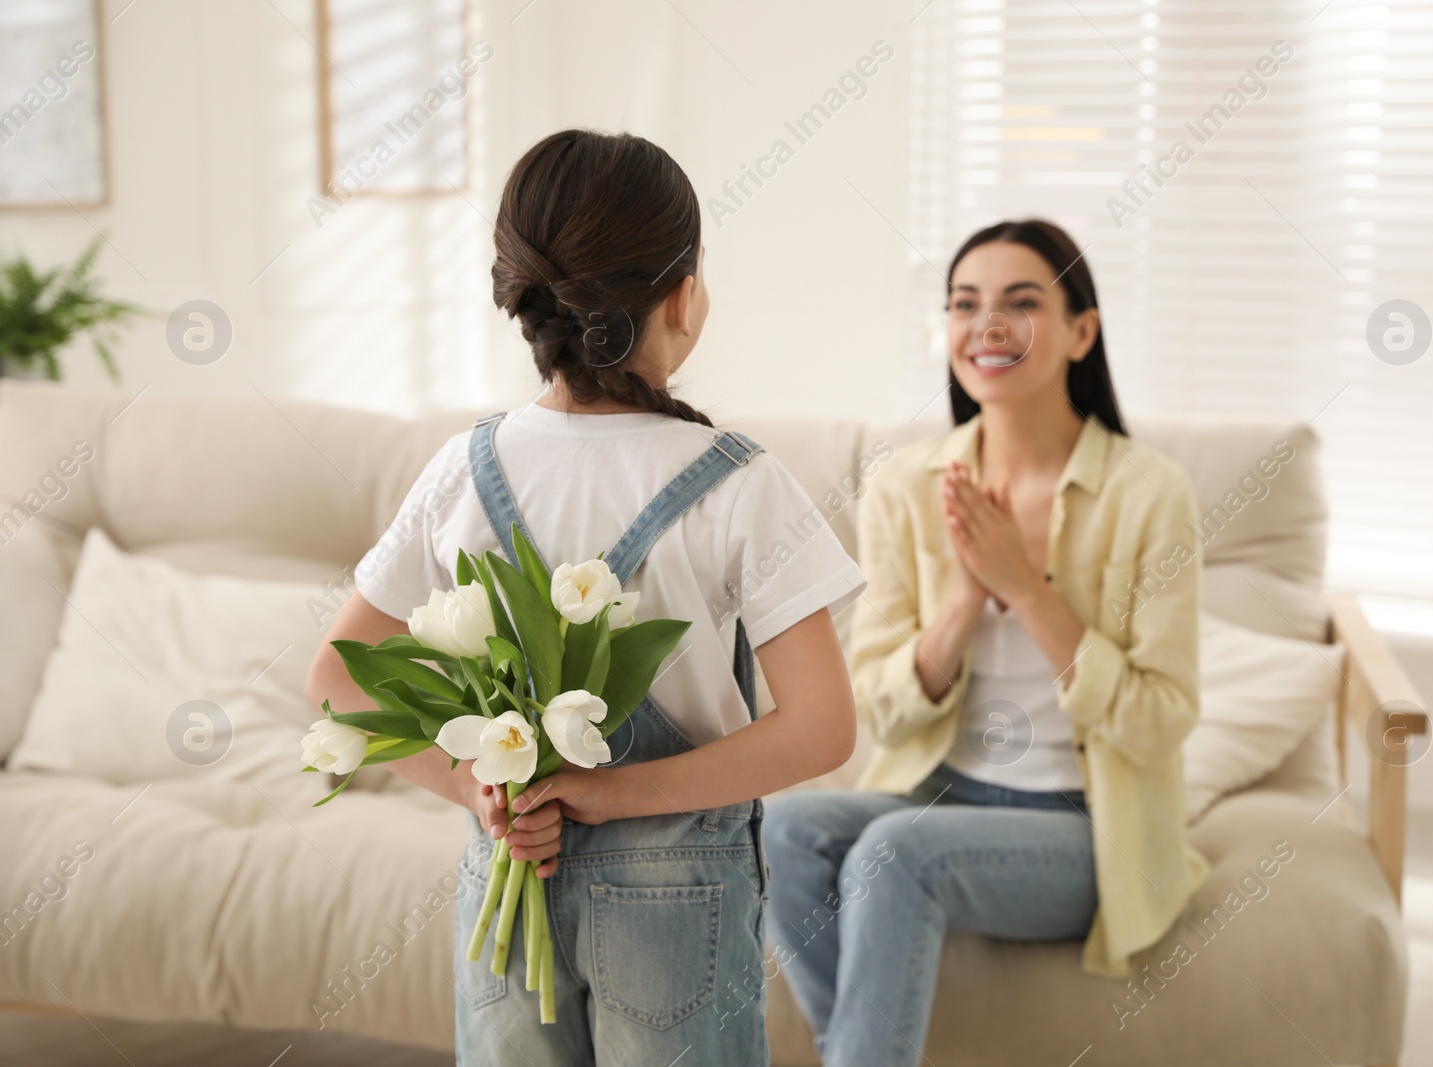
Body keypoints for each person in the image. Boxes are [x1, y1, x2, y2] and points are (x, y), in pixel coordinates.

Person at [305, 128, 865, 1067]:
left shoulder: (462, 470)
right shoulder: (739, 480)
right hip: (675, 894)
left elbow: (334, 678)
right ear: (683, 296)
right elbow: (822, 728)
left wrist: (480, 793)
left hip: (508, 877)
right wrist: (610, 793)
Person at [762, 219, 1211, 1066]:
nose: (987, 325)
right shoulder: (906, 486)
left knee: (896, 852)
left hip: (1086, 826)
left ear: (1082, 330)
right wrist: (967, 596)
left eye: (1020, 302)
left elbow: (1161, 716)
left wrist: (1025, 588)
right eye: (965, 304)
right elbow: (883, 715)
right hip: (940, 790)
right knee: (783, 830)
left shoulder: (1151, 493)